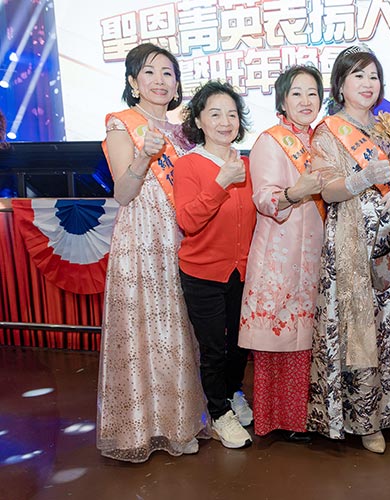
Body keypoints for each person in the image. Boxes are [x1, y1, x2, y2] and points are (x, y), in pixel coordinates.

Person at [307, 45, 390, 454]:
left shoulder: (387, 127)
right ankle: (363, 421)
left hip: (389, 239)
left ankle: (389, 411)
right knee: (358, 326)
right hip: (351, 240)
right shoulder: (328, 131)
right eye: (358, 75)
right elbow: (327, 189)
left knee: (389, 320)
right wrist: (362, 179)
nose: (367, 83)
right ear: (340, 85)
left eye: (373, 76)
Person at [96, 42, 207, 462]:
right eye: (149, 72)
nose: (160, 80)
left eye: (168, 73)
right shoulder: (122, 124)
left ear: (177, 83)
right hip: (142, 237)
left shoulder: (185, 132)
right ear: (132, 81)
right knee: (145, 328)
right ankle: (141, 426)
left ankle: (181, 421)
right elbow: (123, 193)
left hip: (180, 235)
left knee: (179, 326)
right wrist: (144, 156)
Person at [238, 65, 332, 442]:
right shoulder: (270, 141)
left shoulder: (323, 141)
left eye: (313, 93)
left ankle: (303, 417)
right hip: (280, 253)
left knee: (306, 338)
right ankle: (278, 418)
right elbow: (263, 198)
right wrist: (296, 192)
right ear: (282, 100)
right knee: (278, 338)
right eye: (297, 93)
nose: (306, 101)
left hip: (315, 254)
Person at [173, 80, 256, 449]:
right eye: (216, 114)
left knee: (240, 344)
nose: (225, 122)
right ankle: (219, 413)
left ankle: (234, 392)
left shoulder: (248, 164)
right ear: (199, 121)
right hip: (202, 273)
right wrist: (221, 182)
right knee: (213, 349)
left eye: (232, 115)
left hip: (243, 271)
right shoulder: (188, 165)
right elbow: (188, 220)